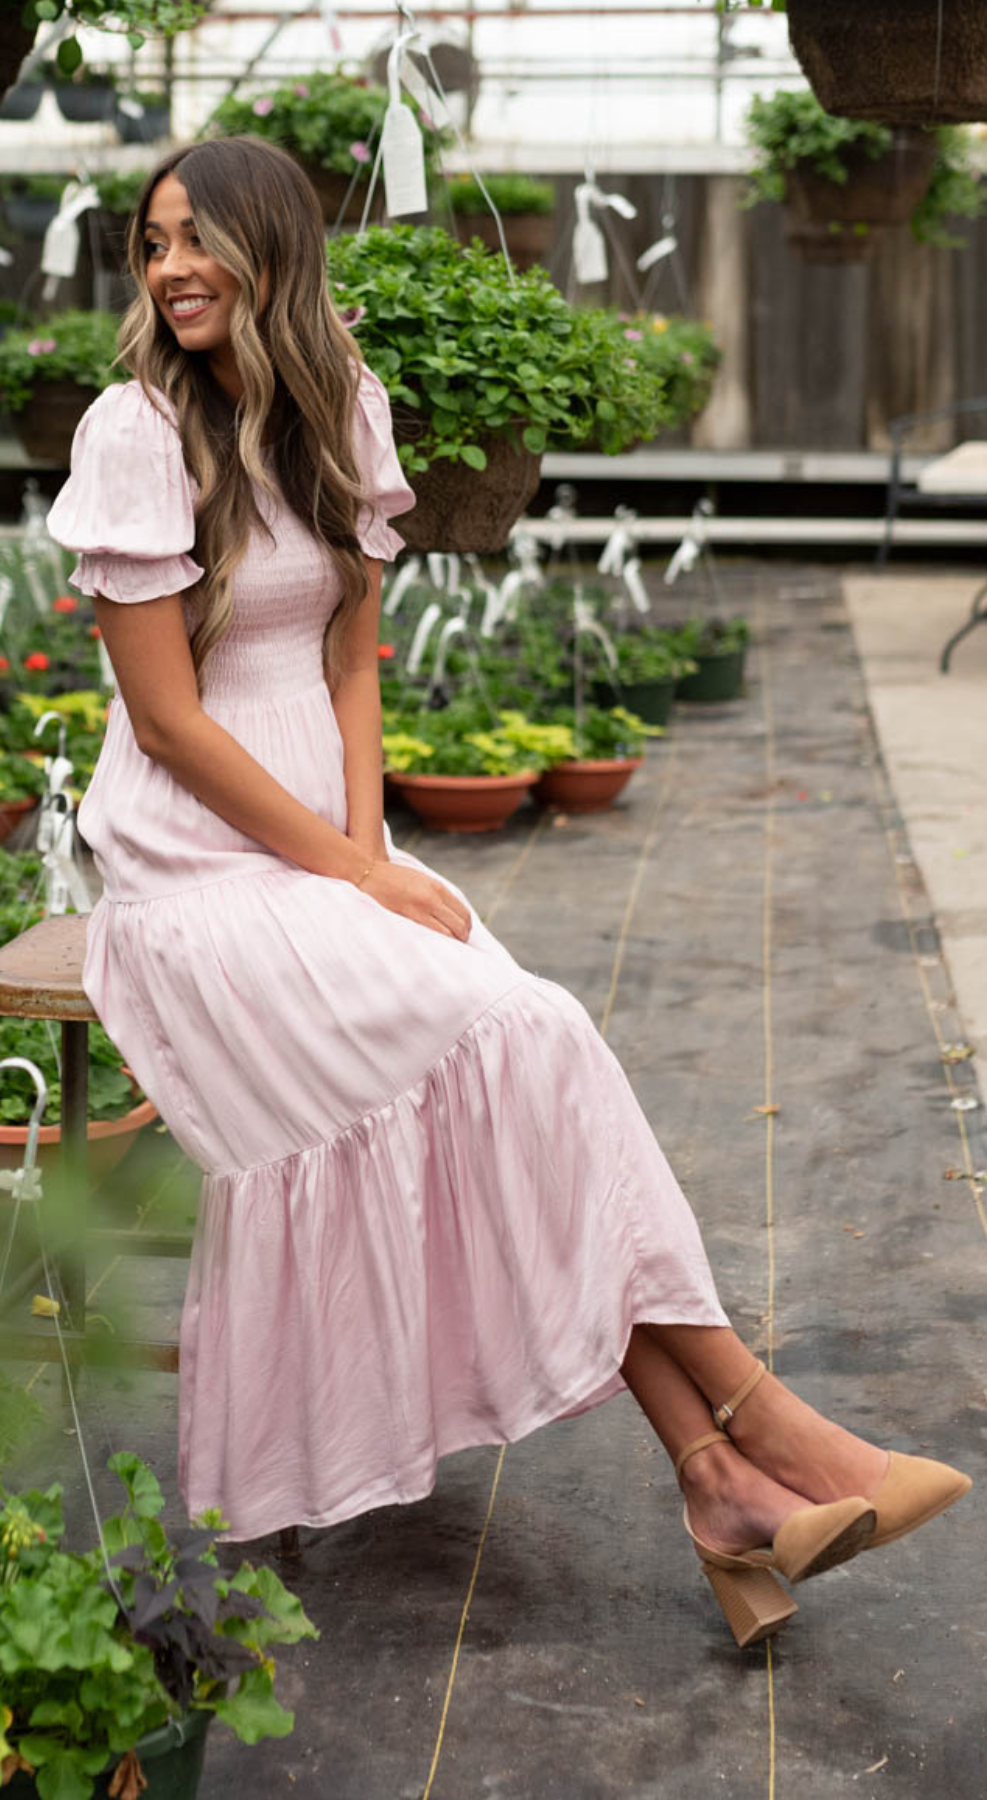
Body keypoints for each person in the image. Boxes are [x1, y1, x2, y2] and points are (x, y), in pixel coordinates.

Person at [47, 135, 969, 1645]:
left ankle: (728, 1490)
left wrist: (368, 854)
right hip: (190, 871)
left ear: (275, 250)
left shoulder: (344, 401)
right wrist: (346, 870)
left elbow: (352, 658)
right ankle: (755, 1431)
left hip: (326, 846)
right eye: (151, 245)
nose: (170, 270)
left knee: (517, 1054)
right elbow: (168, 725)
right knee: (520, 1038)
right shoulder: (133, 431)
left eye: (197, 239)